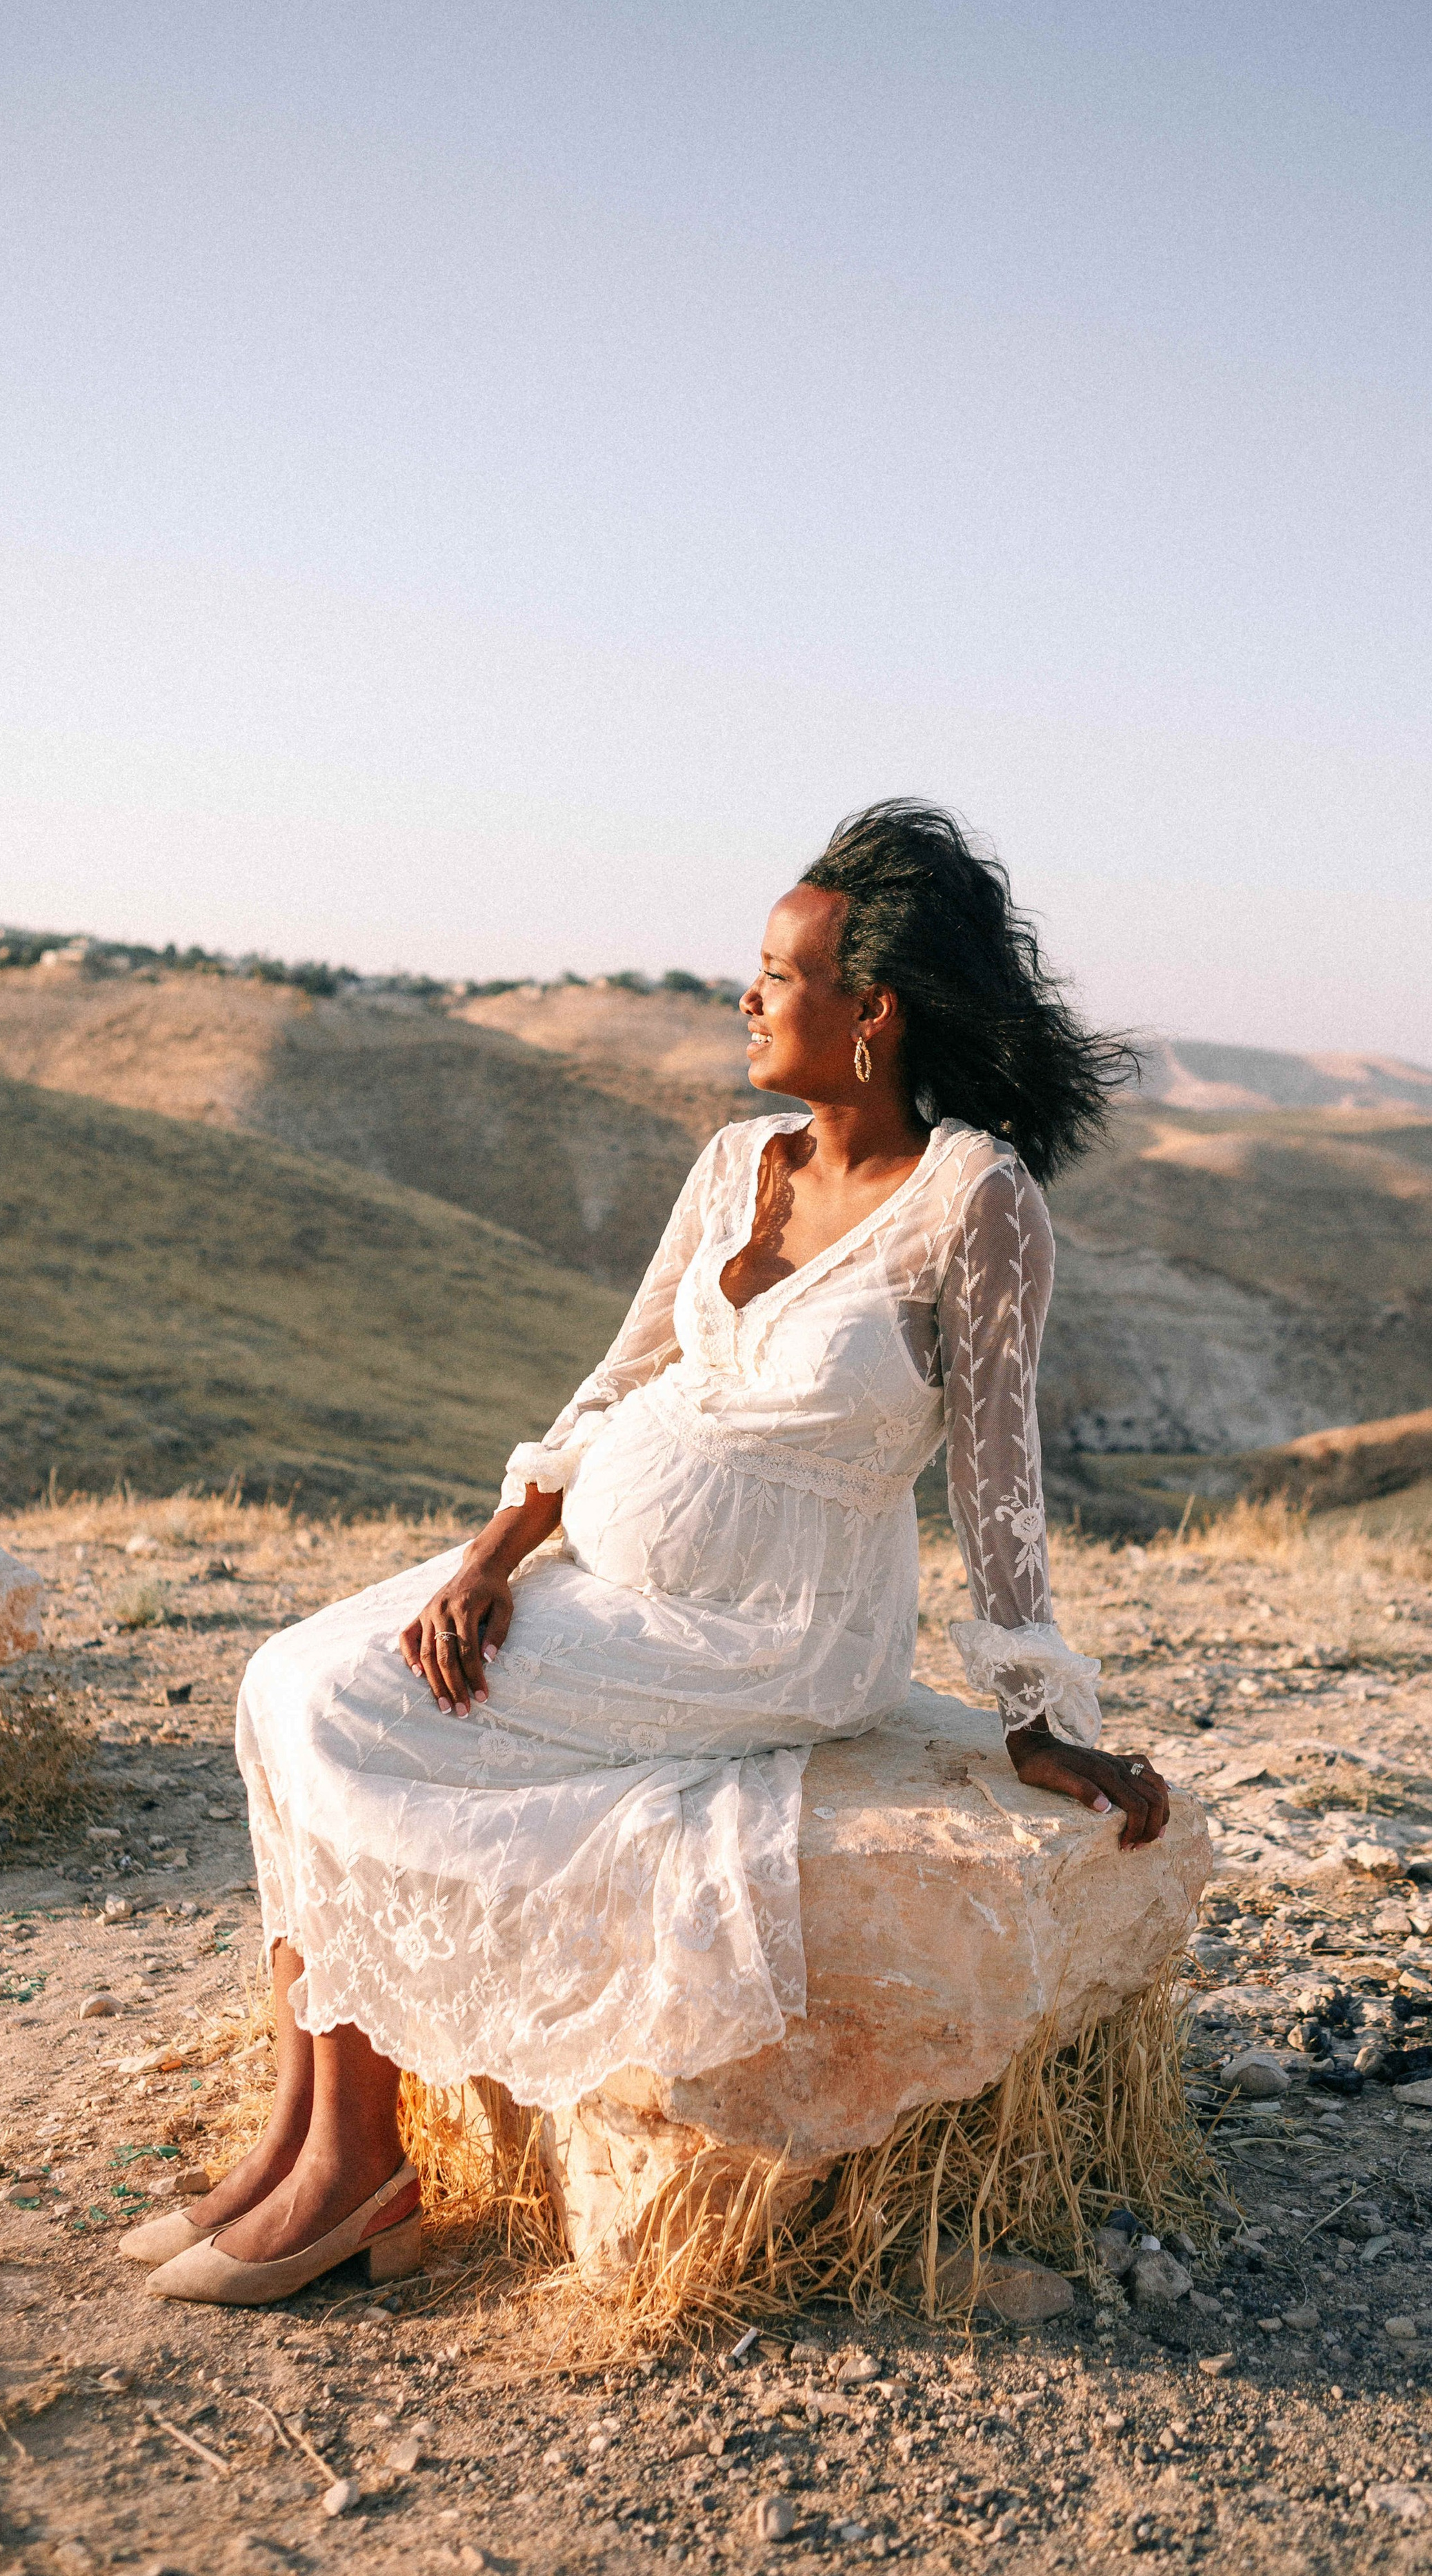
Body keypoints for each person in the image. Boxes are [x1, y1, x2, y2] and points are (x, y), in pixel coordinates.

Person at [126, 801, 1170, 2307]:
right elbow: (618, 1383)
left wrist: (1040, 1718)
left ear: (869, 1010)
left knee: (341, 1709)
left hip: (771, 1629)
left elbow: (995, 1477)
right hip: (604, 1578)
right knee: (280, 1676)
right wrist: (492, 1551)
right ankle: (302, 2137)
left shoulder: (974, 1206)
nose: (742, 996)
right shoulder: (735, 1161)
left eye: (773, 971)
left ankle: (360, 2173)